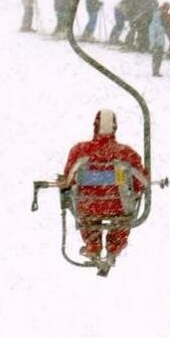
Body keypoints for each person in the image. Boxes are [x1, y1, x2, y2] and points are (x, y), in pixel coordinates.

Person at [58, 109, 148, 267]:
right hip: (119, 207)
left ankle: (93, 246)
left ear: (95, 126)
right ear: (115, 127)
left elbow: (68, 180)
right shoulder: (127, 154)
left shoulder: (79, 151)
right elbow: (141, 182)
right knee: (122, 217)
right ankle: (114, 248)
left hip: (88, 206)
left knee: (87, 214)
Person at [148, 4, 167, 77]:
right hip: (157, 44)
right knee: (157, 58)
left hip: (160, 44)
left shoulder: (159, 23)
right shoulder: (155, 24)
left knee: (158, 59)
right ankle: (155, 72)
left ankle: (156, 71)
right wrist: (153, 44)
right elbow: (152, 36)